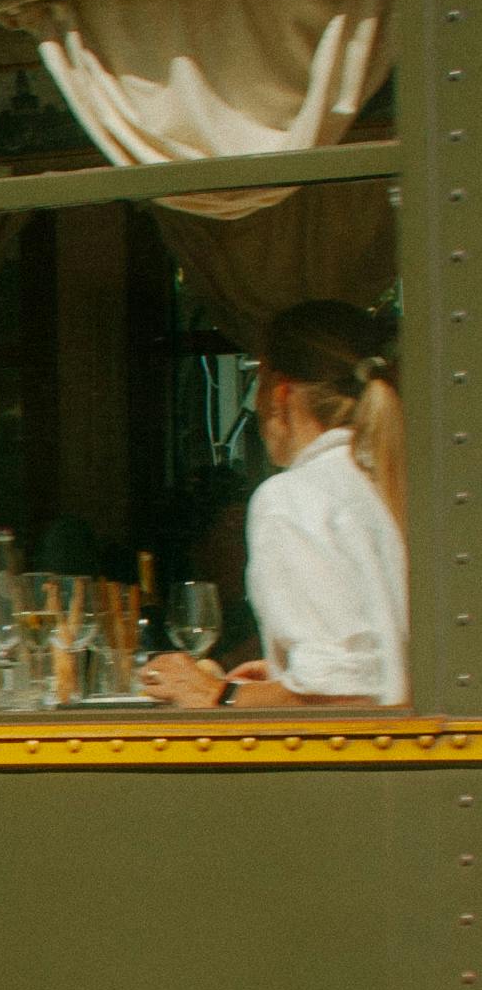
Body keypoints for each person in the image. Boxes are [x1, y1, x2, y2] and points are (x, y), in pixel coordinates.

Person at [142, 302, 407, 711]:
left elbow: (341, 696)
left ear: (280, 394)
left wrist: (217, 694)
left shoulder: (292, 497)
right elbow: (374, 669)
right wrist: (281, 677)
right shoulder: (384, 481)